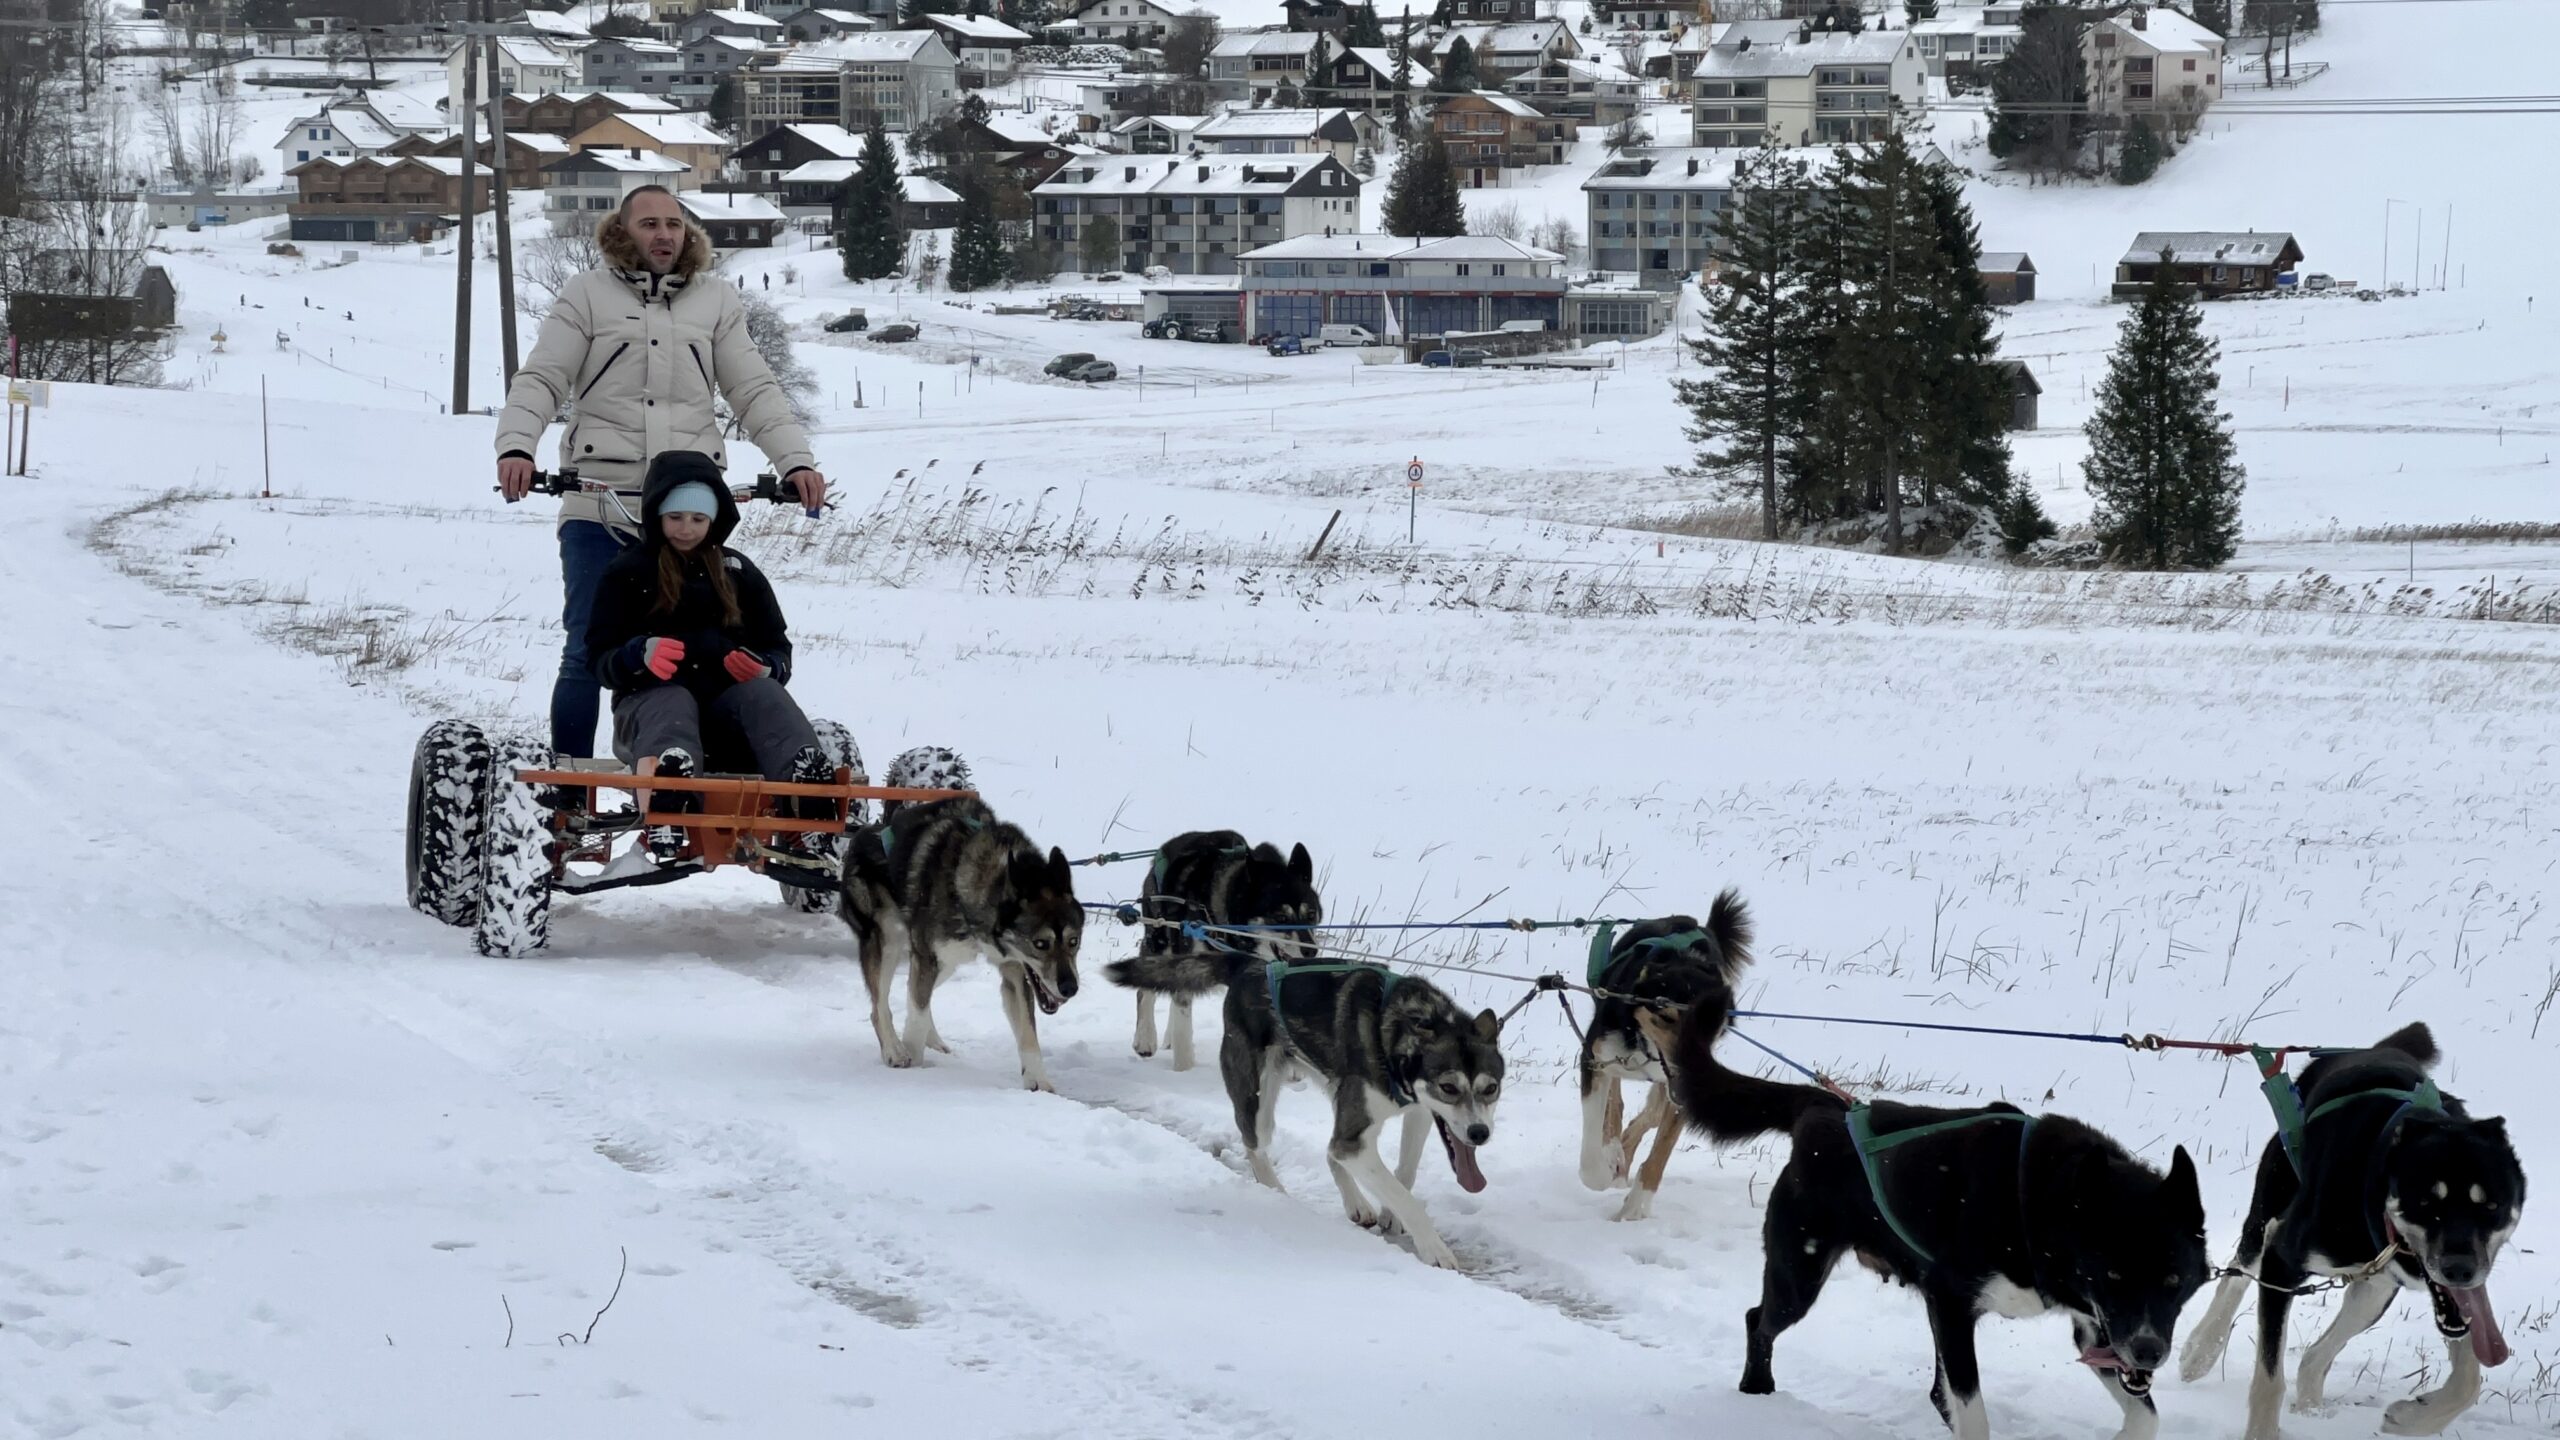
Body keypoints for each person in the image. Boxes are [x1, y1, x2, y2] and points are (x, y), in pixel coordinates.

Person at [493, 184, 828, 762]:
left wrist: (794, 461)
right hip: (601, 501)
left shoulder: (716, 300)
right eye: (649, 224)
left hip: (687, 505)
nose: (664, 234)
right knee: (584, 647)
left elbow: (751, 387)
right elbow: (544, 376)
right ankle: (568, 789)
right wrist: (518, 447)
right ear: (623, 232)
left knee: (715, 639)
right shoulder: (586, 295)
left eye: (673, 223)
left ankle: (701, 754)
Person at [584, 452, 832, 879]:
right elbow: (597, 658)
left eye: (698, 519)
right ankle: (668, 796)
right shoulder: (627, 572)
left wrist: (767, 668)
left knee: (766, 694)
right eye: (675, 516)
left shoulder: (739, 572)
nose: (686, 528)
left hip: (727, 722)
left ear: (715, 519)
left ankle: (806, 797)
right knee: (673, 698)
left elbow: (777, 646)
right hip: (648, 716)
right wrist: (635, 656)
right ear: (656, 513)